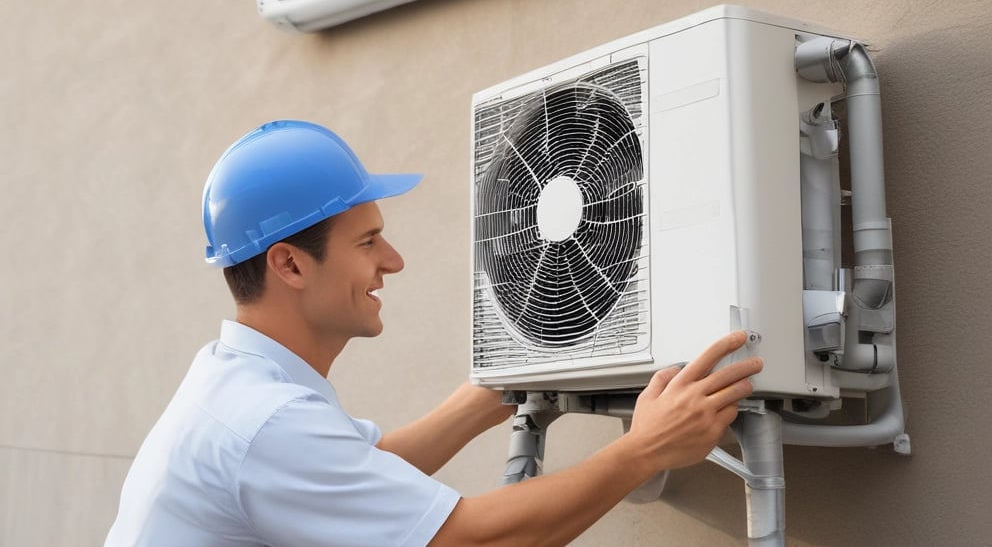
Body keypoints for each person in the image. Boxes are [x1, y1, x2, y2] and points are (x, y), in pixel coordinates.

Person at [105, 120, 763, 547]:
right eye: (369, 242)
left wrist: (494, 389)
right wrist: (644, 450)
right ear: (289, 264)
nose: (393, 262)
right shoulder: (265, 422)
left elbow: (364, 475)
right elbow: (468, 541)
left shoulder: (234, 380)